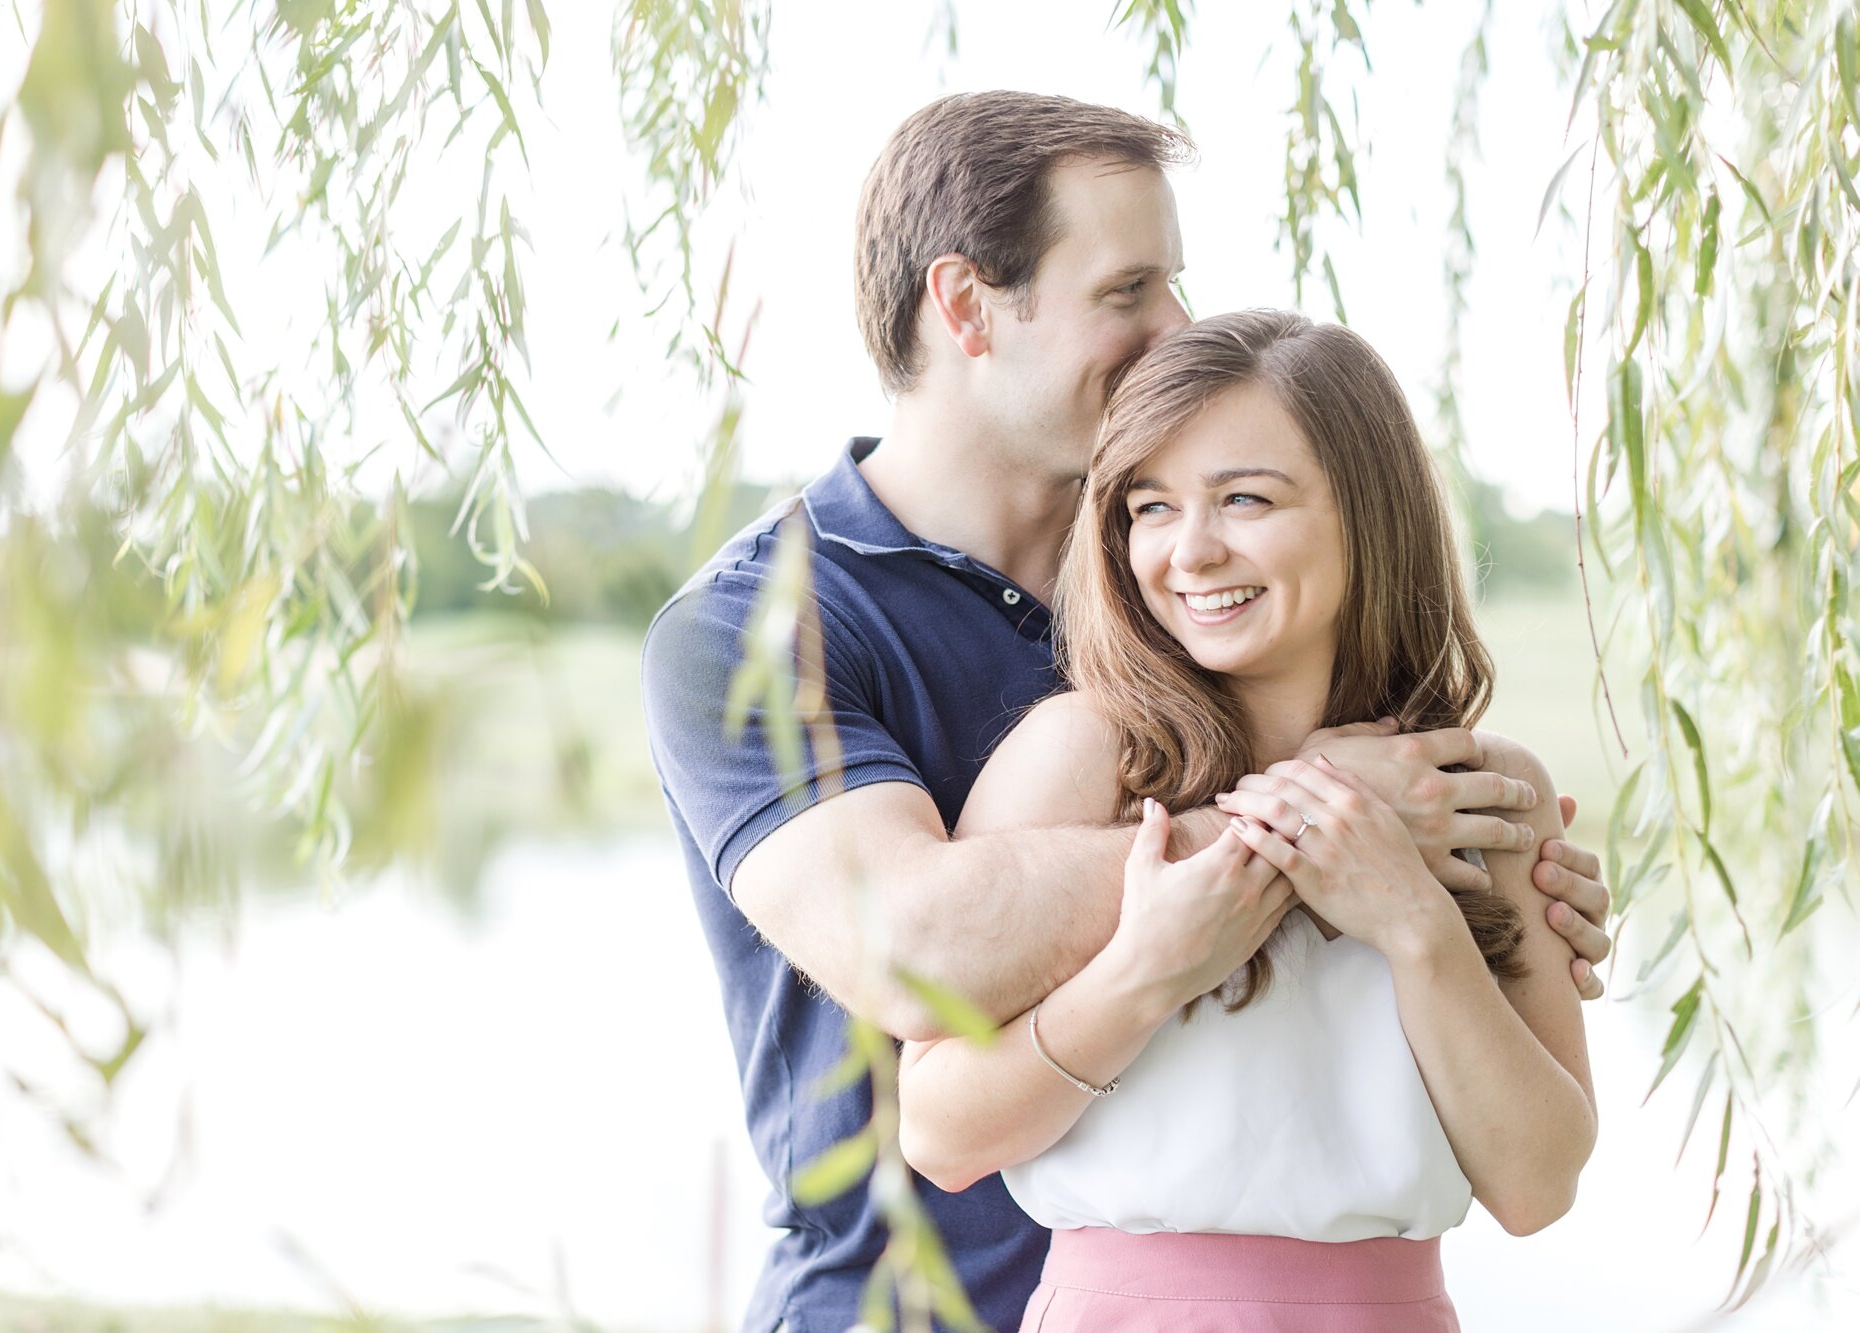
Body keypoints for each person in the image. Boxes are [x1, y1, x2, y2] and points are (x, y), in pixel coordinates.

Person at [640, 92, 1611, 1333]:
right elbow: (913, 949)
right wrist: (1320, 822)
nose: (1175, 327)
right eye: (1129, 289)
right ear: (964, 304)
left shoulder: (1176, 606)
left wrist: (1466, 894)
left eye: (1231, 499)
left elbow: (1529, 1161)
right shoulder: (752, 632)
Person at [897, 310, 1595, 1331]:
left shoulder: (1477, 788)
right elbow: (939, 1129)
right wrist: (1149, 971)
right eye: (1150, 507)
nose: (1189, 551)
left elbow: (1537, 1187)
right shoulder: (1083, 756)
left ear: (1367, 512)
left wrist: (1412, 920)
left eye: (1244, 499)